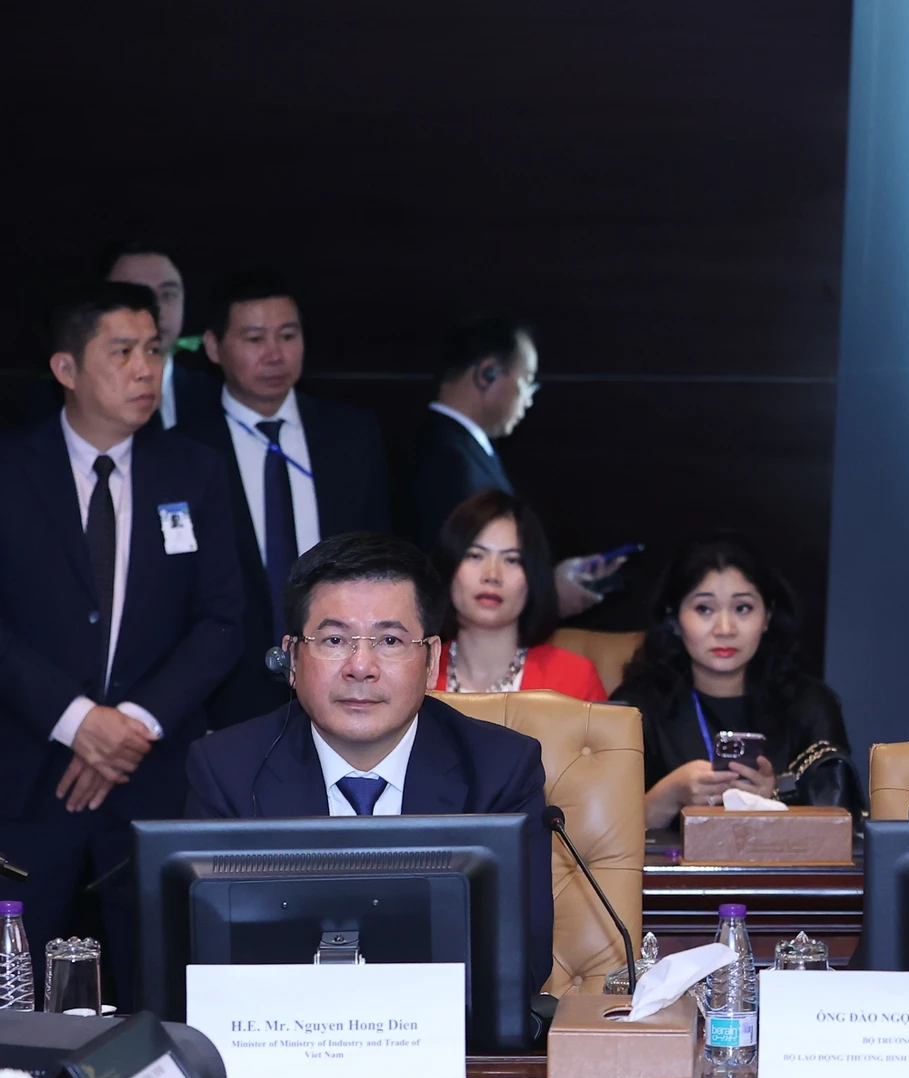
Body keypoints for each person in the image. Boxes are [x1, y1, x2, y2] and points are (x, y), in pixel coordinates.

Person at [0, 282, 243, 988]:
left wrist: (129, 726)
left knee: (163, 989)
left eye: (155, 351)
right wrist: (76, 720)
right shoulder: (10, 470)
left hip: (153, 777)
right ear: (66, 368)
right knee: (16, 992)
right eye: (123, 352)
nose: (146, 370)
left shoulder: (194, 469)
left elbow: (223, 619)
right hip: (27, 772)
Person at [183, 533, 552, 990]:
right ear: (293, 658)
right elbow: (202, 963)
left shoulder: (500, 771)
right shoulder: (226, 770)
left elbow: (520, 963)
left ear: (431, 660)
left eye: (390, 640)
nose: (360, 666)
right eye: (334, 639)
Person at [177, 269, 393, 729]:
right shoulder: (182, 449)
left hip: (343, 679)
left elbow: (380, 559)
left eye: (288, 335)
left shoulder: (351, 435)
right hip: (223, 692)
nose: (275, 354)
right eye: (255, 339)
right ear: (214, 346)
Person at [613, 535, 850, 828]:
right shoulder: (633, 710)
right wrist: (669, 796)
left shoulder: (810, 706)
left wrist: (775, 799)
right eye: (704, 609)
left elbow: (842, 828)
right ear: (674, 619)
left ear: (767, 617)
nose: (725, 629)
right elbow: (596, 836)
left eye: (742, 608)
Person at [403, 315, 623, 615]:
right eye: (527, 380)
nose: (529, 399)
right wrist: (548, 597)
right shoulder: (449, 461)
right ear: (487, 373)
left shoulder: (462, 449)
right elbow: (459, 584)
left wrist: (551, 581)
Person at [429, 490, 606, 700]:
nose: (492, 575)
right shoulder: (416, 674)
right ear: (449, 568)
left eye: (511, 560)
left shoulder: (574, 680)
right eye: (475, 556)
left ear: (533, 577)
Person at [100, 240, 219, 434]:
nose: (156, 310)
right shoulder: (62, 401)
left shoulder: (217, 398)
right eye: (137, 295)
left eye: (168, 295)